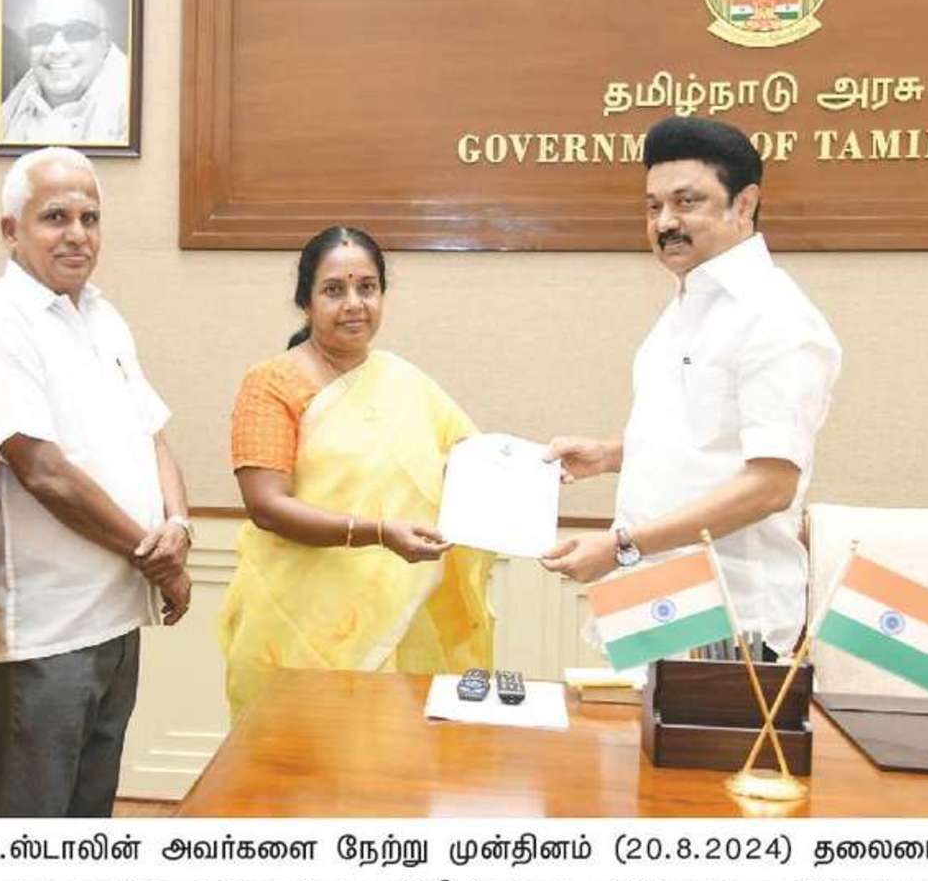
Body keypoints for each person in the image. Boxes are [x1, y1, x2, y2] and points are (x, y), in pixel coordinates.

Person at [0, 146, 191, 817]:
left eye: (90, 218)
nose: (77, 234)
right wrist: (155, 557)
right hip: (46, 632)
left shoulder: (103, 316)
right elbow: (42, 470)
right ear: (11, 230)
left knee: (89, 820)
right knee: (34, 831)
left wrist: (179, 526)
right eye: (55, 217)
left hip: (118, 617)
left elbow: (153, 436)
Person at [542, 116, 842, 657]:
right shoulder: (688, 302)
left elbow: (771, 484)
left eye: (687, 202)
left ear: (744, 204)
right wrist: (610, 455)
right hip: (655, 600)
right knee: (618, 717)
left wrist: (622, 546)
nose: (665, 223)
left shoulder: (775, 317)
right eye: (653, 206)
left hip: (729, 620)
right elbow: (708, 438)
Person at [218, 225, 494, 719]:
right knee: (297, 761)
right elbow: (266, 505)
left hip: (399, 617)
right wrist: (379, 533)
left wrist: (542, 471)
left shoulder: (406, 382)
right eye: (333, 290)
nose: (353, 304)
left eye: (367, 288)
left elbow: (471, 462)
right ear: (305, 301)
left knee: (391, 758)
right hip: (294, 622)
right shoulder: (271, 384)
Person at [0, 0, 129, 145]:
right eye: (42, 33)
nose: (56, 49)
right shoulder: (15, 103)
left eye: (76, 32)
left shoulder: (134, 106)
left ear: (104, 42)